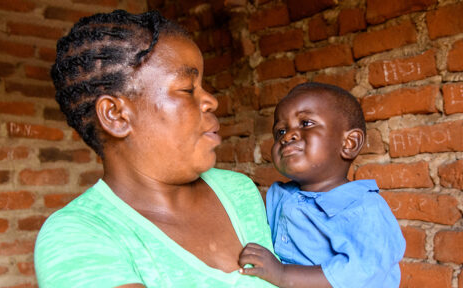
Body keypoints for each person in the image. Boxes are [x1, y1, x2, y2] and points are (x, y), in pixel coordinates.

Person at [34, 10, 276, 288]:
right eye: (187, 89)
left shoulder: (239, 191)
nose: (210, 101)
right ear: (116, 115)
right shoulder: (76, 234)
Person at [238, 82, 406, 288]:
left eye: (306, 123)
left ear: (349, 143)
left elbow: (362, 274)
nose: (287, 136)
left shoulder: (365, 208)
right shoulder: (279, 196)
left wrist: (282, 274)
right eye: (280, 131)